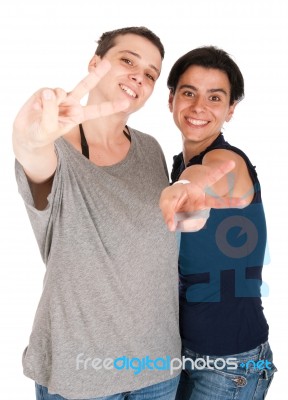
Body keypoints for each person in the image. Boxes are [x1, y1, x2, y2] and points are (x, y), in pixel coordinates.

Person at [13, 27, 237, 400]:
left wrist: (191, 214)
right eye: (127, 60)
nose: (139, 75)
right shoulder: (55, 151)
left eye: (150, 73)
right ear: (95, 65)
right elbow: (32, 155)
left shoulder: (149, 149)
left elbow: (152, 229)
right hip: (81, 373)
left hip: (157, 369)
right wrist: (30, 137)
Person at [163, 46, 277, 399]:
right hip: (184, 353)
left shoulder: (229, 159)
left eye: (215, 97)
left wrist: (188, 185)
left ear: (230, 110)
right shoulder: (177, 164)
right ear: (171, 101)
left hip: (232, 363)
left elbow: (215, 174)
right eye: (189, 93)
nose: (199, 107)